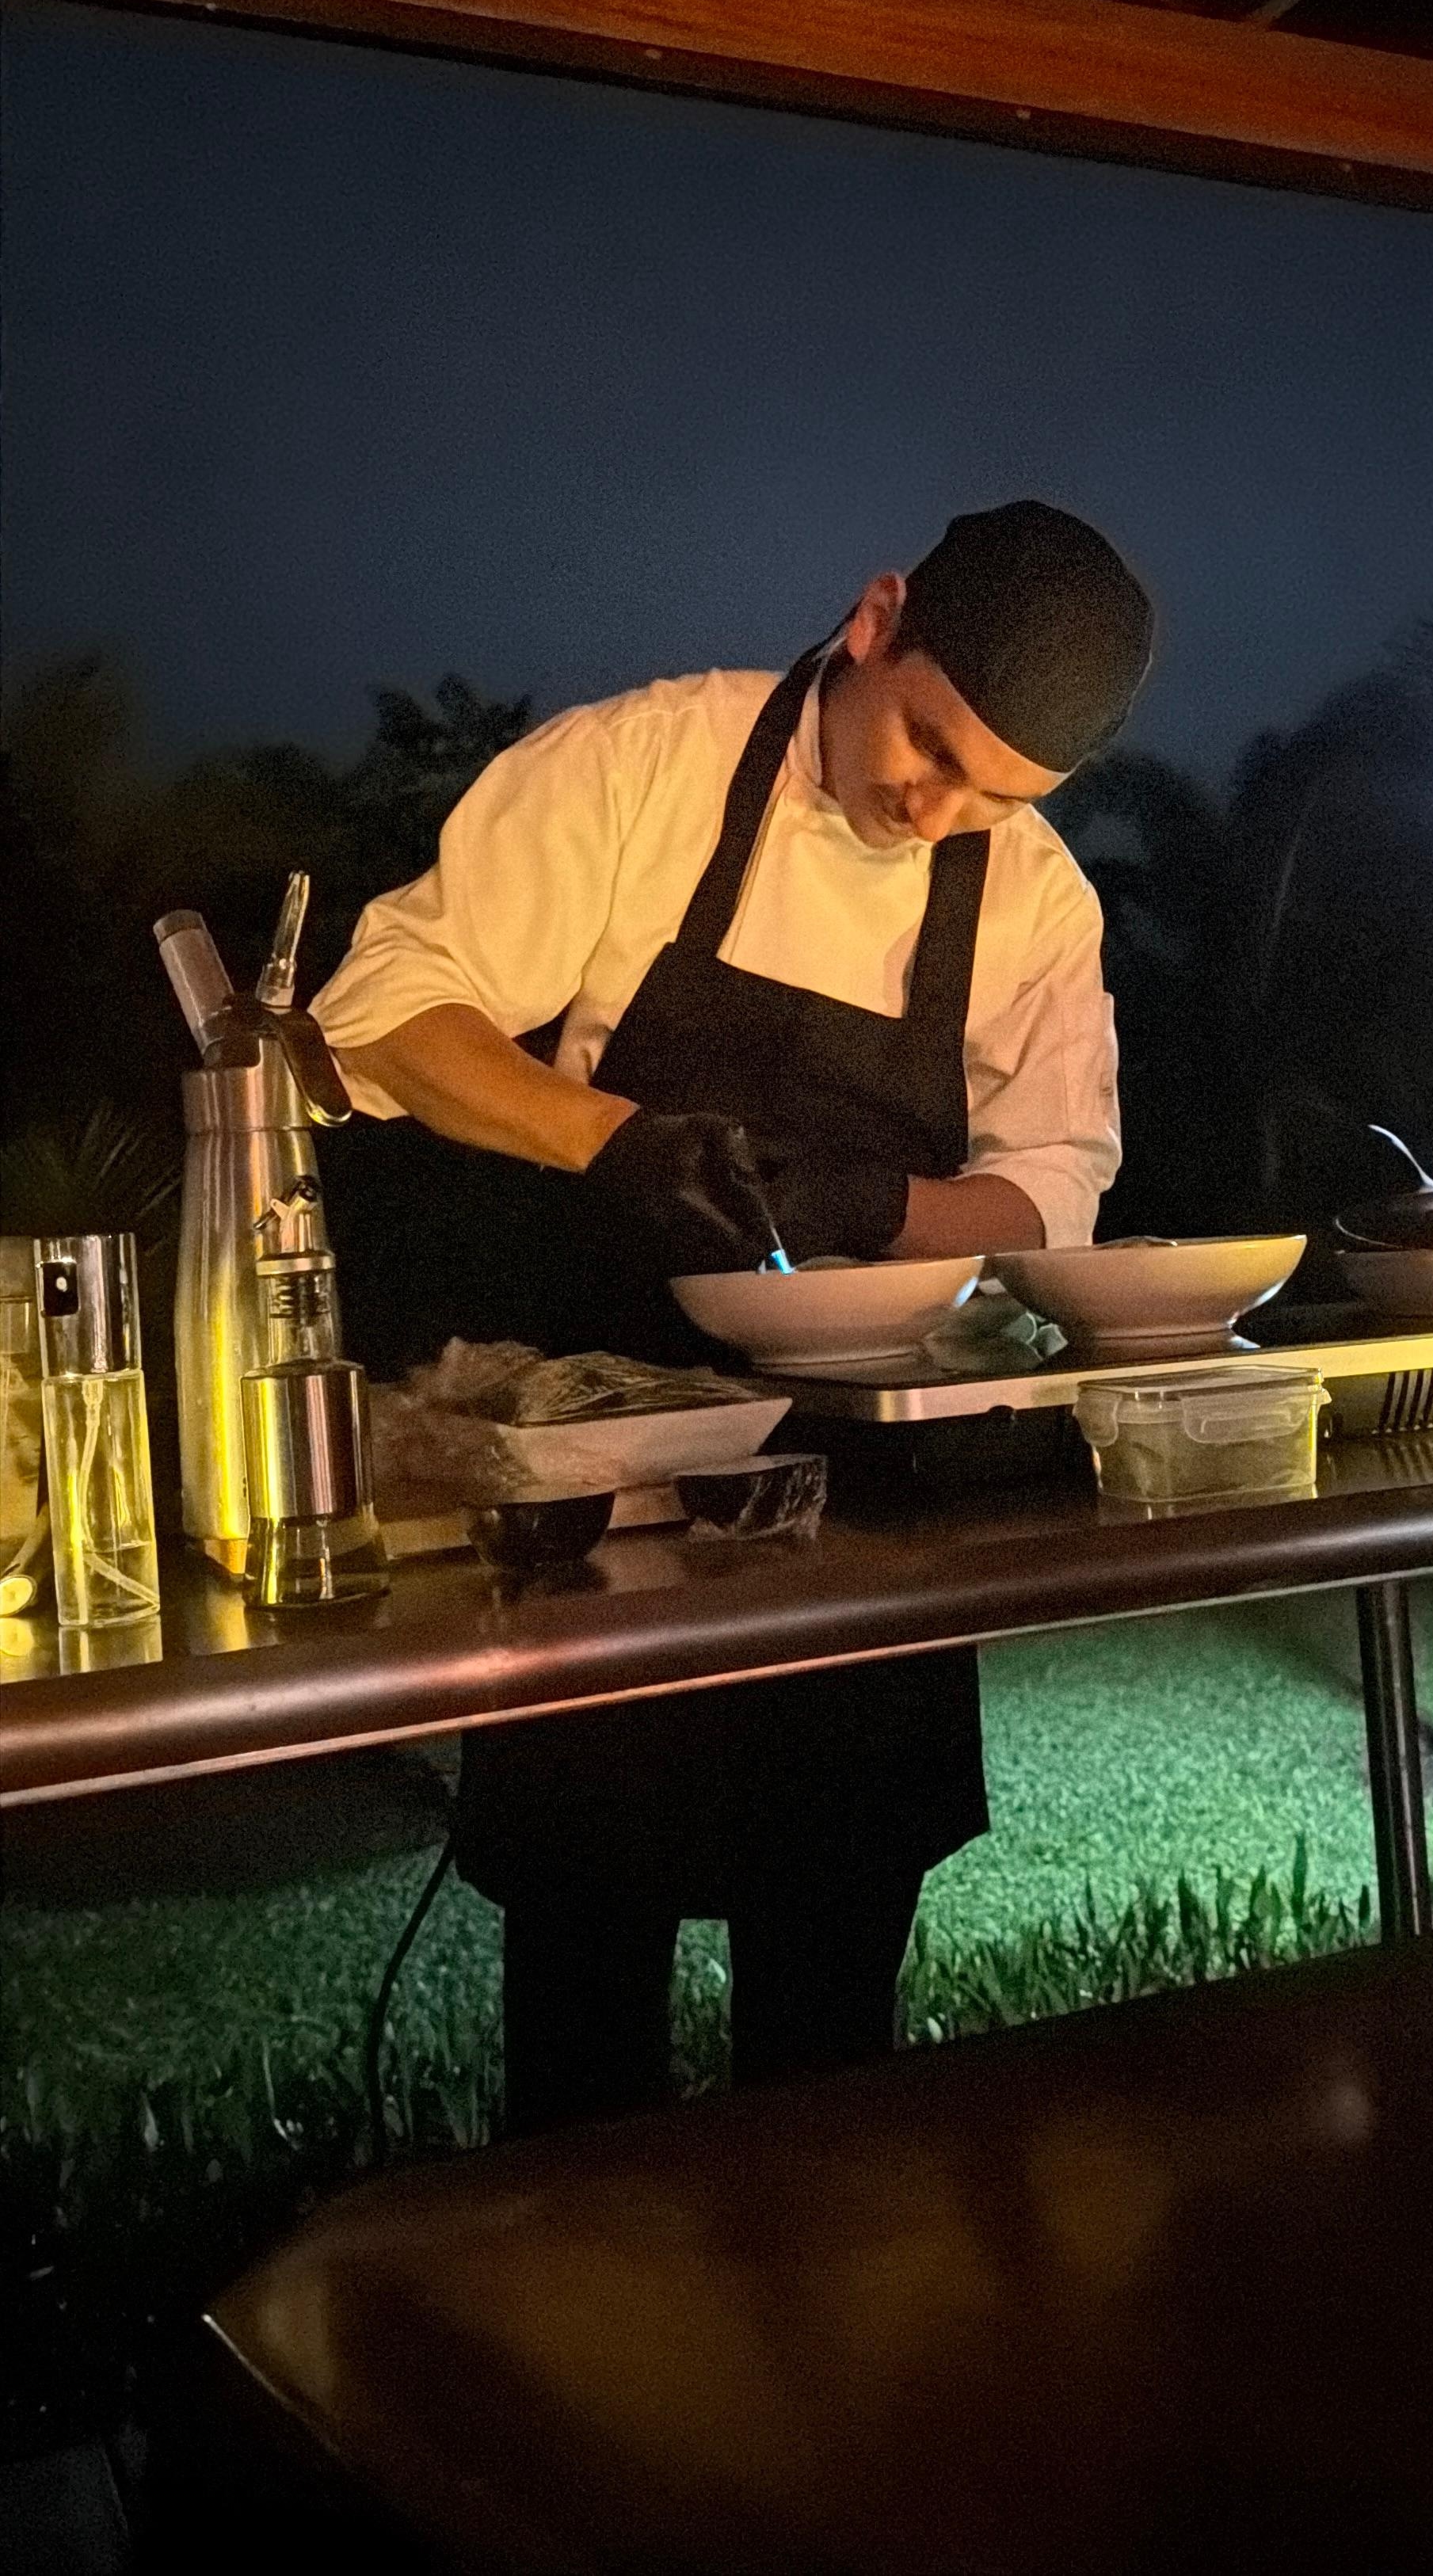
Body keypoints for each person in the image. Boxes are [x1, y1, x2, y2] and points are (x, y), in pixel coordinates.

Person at [311, 500, 1155, 2130]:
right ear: (872, 617)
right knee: (581, 2003)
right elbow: (390, 1011)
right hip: (604, 1488)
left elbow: (1052, 1192)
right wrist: (614, 1138)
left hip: (867, 1511)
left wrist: (873, 1212)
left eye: (996, 789)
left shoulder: (1034, 899)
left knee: (833, 2027)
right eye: (926, 742)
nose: (936, 807)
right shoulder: (644, 764)